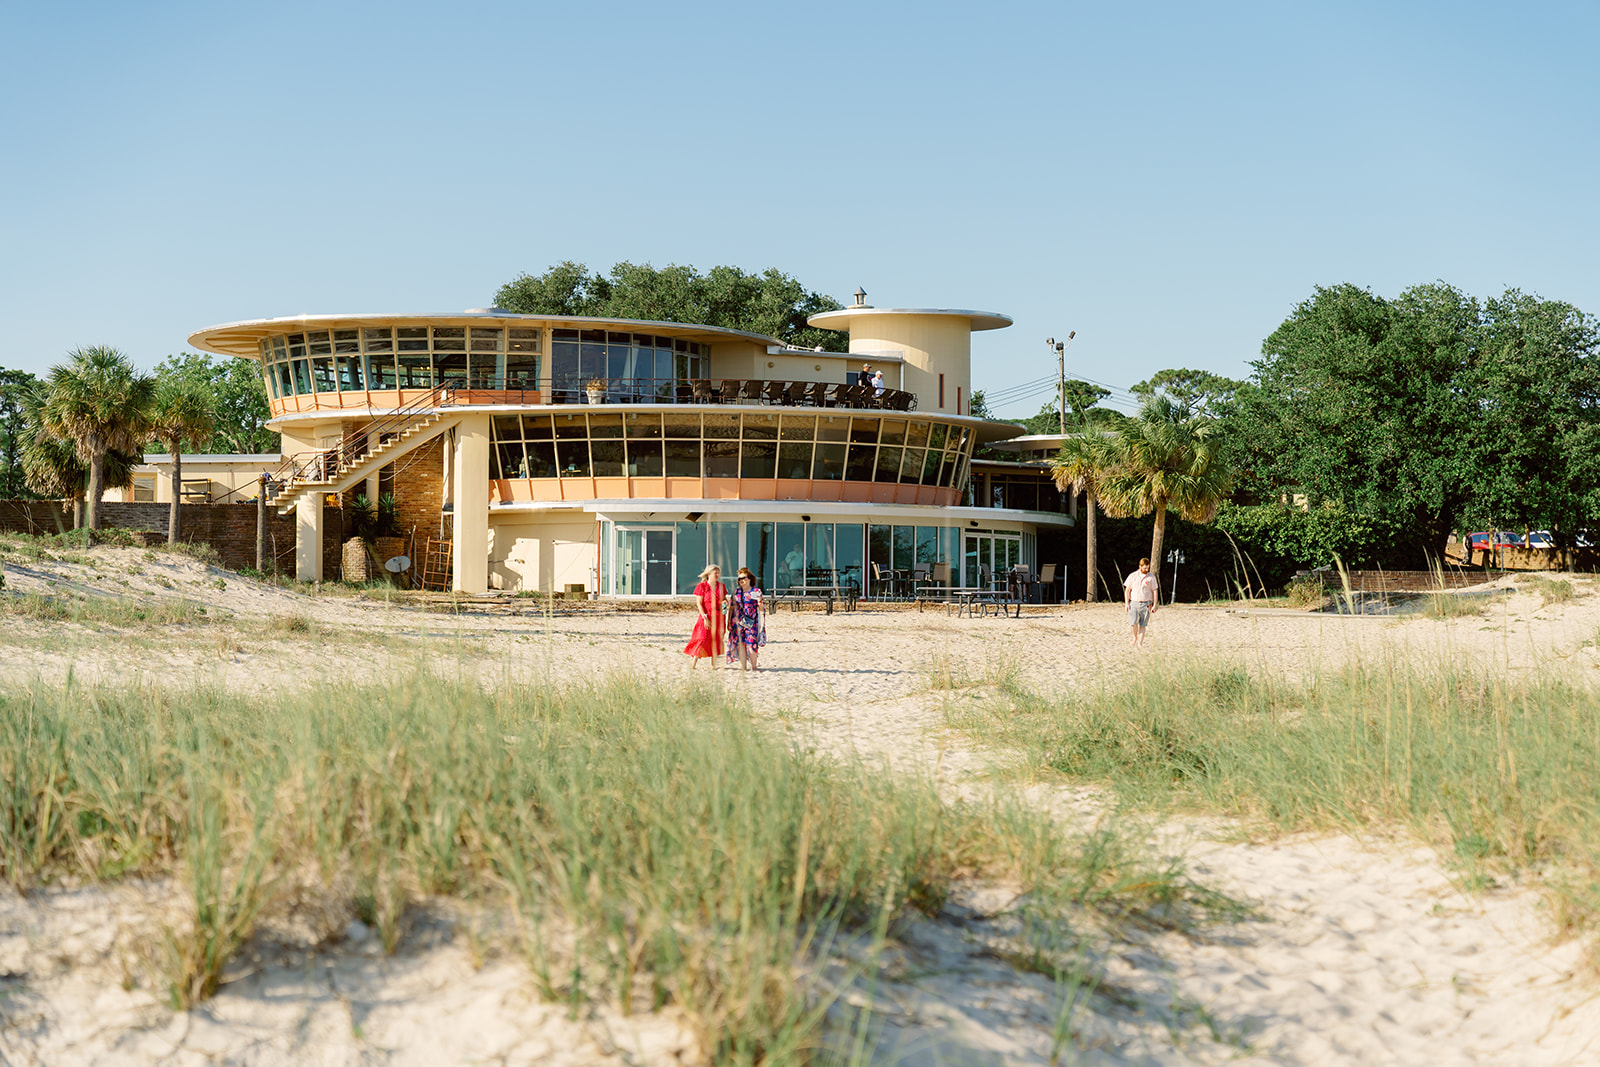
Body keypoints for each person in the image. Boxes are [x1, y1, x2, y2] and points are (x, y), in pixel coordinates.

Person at [683, 564, 726, 667]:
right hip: (707, 615)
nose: (717, 574)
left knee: (716, 639)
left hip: (719, 616)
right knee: (702, 638)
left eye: (718, 573)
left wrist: (725, 604)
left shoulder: (721, 586)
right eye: (715, 572)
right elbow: (699, 604)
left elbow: (724, 599)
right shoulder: (702, 586)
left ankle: (713, 665)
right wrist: (705, 617)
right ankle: (693, 664)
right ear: (709, 574)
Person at [726, 567, 767, 671]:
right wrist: (729, 622)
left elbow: (762, 609)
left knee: (752, 644)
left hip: (751, 622)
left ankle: (754, 666)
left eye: (743, 578)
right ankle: (744, 667)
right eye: (739, 579)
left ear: (749, 579)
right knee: (741, 644)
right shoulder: (736, 592)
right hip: (738, 622)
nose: (741, 581)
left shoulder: (756, 591)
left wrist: (759, 602)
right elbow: (731, 607)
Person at [1123, 557, 1159, 648]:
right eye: (1144, 568)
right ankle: (1134, 637)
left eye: (1148, 568)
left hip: (1146, 604)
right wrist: (1127, 603)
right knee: (1133, 623)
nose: (1146, 570)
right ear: (1140, 566)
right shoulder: (1132, 576)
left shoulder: (1151, 577)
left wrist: (1154, 604)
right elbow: (1127, 590)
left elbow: (1155, 591)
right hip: (1134, 602)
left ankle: (1140, 642)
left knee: (1143, 625)